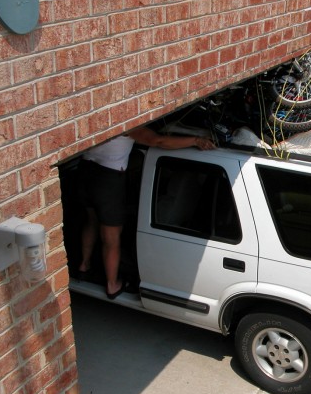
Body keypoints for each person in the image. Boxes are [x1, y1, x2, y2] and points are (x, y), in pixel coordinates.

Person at [77, 127, 215, 299]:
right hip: (108, 181)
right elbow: (158, 141)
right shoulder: (127, 124)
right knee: (111, 237)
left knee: (91, 220)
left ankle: (84, 265)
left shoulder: (102, 117)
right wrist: (196, 140)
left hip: (85, 172)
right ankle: (112, 285)